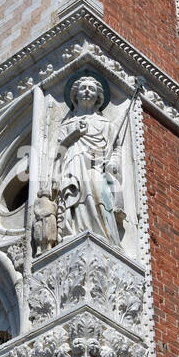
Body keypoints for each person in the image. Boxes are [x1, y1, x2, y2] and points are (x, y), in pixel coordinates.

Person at [55, 75, 123, 243]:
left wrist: (114, 162)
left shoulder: (107, 125)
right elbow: (59, 150)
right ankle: (72, 231)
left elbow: (116, 148)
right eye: (83, 88)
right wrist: (74, 134)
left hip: (96, 166)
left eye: (91, 89)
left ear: (98, 98)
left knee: (99, 194)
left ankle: (106, 237)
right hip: (72, 165)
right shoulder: (66, 125)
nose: (87, 91)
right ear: (75, 96)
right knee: (73, 195)